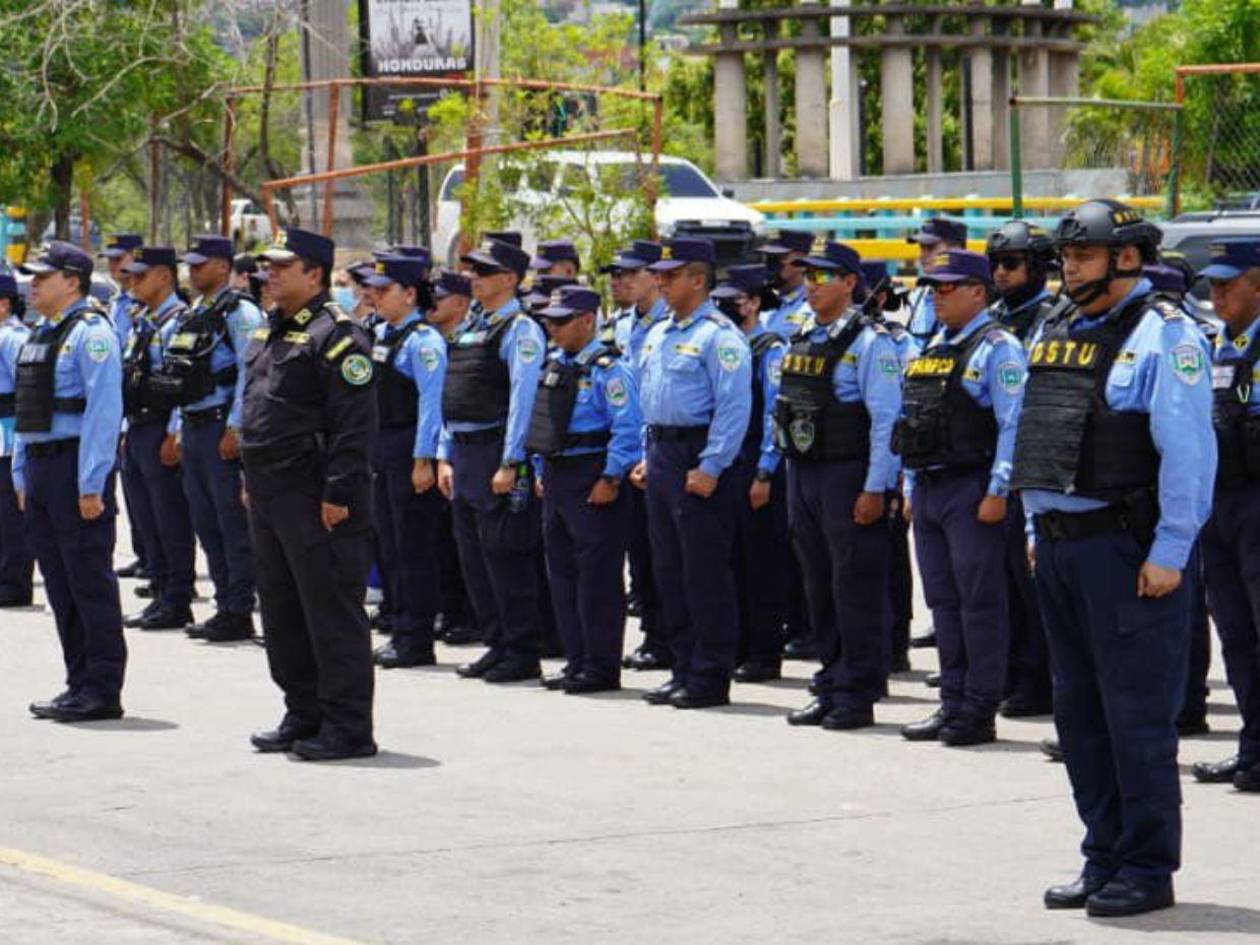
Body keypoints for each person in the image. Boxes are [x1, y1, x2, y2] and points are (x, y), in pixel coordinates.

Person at [1013, 199, 1215, 917]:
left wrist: (1171, 550)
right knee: (1080, 717)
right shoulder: (1057, 326)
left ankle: (1147, 867)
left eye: (1083, 255)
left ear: (1126, 258)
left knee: (1136, 719)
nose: (1069, 268)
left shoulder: (1165, 336)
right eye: (1065, 257)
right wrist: (1035, 525)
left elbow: (1189, 455)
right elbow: (1037, 432)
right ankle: (1102, 854)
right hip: (1061, 549)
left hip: (1127, 553)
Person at [241, 227, 379, 762]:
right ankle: (302, 711)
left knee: (329, 611)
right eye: (268, 266)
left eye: (282, 266)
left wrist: (339, 492)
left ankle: (348, 726)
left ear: (315, 274)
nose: (269, 274)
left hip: (314, 493)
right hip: (270, 491)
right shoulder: (271, 328)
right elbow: (259, 407)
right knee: (282, 610)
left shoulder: (338, 336)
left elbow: (354, 425)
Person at [894, 250, 1026, 746]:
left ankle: (978, 708)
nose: (937, 296)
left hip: (971, 487)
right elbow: (915, 417)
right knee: (943, 602)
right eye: (933, 288)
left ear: (977, 291)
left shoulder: (998, 348)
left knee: (979, 603)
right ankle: (951, 701)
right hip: (931, 486)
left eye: (947, 287)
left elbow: (1013, 424)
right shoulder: (934, 346)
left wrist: (998, 489)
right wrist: (910, 485)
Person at [776, 240, 901, 731]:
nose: (811, 285)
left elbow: (886, 420)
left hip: (847, 474)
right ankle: (830, 680)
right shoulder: (803, 335)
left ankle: (858, 691)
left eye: (822, 276)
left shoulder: (869, 342)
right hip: (804, 471)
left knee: (854, 586)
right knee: (818, 583)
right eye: (807, 276)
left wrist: (875, 488)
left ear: (849, 283)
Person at [629, 237, 751, 709]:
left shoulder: (719, 336)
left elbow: (733, 408)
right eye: (659, 274)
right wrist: (648, 453)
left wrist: (712, 465)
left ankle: (710, 673)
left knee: (704, 571)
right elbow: (652, 399)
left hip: (697, 454)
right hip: (663, 452)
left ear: (698, 280)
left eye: (671, 274)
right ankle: (682, 666)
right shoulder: (661, 332)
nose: (660, 281)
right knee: (669, 569)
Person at [15, 242, 126, 722]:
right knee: (60, 585)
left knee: (88, 582)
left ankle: (102, 688)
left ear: (72, 281)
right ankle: (77, 682)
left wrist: (91, 483)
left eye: (44, 276)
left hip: (73, 467)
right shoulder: (43, 333)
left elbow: (104, 412)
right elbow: (28, 409)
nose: (34, 284)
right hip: (42, 468)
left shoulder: (92, 334)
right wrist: (21, 471)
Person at [437, 238, 547, 683]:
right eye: (472, 271)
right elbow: (454, 393)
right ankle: (496, 642)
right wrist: (445, 454)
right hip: (464, 451)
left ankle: (521, 650)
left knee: (505, 554)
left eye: (483, 272)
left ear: (510, 279)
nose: (473, 279)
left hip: (494, 450)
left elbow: (523, 399)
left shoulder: (520, 329)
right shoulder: (472, 326)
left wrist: (511, 460)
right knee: (474, 556)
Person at [528, 285, 641, 693]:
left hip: (591, 473)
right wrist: (539, 469)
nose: (553, 328)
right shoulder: (554, 363)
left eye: (562, 322)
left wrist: (610, 477)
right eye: (550, 321)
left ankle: (601, 665)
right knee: (562, 574)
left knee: (597, 577)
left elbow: (628, 427)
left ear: (588, 321)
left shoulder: (609, 369)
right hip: (557, 474)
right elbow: (542, 421)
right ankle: (576, 659)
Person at [154, 235, 264, 643]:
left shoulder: (241, 312)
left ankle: (239, 608)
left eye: (200, 265)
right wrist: (178, 427)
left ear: (222, 266)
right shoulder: (195, 312)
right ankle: (224, 603)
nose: (192, 271)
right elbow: (181, 375)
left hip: (221, 427)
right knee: (206, 522)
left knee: (231, 523)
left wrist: (236, 427)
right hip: (195, 425)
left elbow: (251, 372)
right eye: (191, 265)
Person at [1191, 238, 1260, 792]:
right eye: (1211, 286)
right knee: (1236, 634)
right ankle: (1253, 748)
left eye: (1227, 285)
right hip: (1219, 503)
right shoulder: (1212, 344)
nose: (1216, 296)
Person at [986, 221, 1059, 718]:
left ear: (1037, 268)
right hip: (989, 462)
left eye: (1010, 263)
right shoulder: (992, 319)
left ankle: (1037, 680)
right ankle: (1008, 671)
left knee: (1030, 582)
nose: (1000, 273)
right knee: (998, 584)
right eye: (995, 264)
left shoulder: (1051, 319)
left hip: (1032, 464)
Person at [363, 254, 447, 668]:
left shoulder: (423, 341)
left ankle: (417, 637)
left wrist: (423, 458)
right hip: (382, 446)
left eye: (384, 290)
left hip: (408, 446)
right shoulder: (381, 334)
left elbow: (431, 403)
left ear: (410, 294)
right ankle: (398, 626)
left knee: (413, 548)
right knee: (388, 544)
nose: (375, 296)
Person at [711, 264, 790, 683]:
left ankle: (764, 652)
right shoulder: (724, 345)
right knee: (731, 560)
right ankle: (739, 645)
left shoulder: (769, 348)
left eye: (734, 300)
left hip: (758, 464)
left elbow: (776, 412)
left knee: (761, 564)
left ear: (755, 303)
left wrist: (765, 471)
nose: (725, 307)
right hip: (728, 463)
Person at [601, 241, 671, 672]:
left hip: (659, 450)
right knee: (639, 552)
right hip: (626, 451)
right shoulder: (619, 325)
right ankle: (652, 632)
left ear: (655, 276)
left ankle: (669, 636)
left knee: (664, 552)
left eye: (630, 273)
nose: (620, 281)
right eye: (616, 274)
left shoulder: (669, 324)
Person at [119, 247, 197, 631]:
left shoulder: (178, 321)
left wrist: (175, 432)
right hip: (138, 426)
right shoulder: (143, 319)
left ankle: (177, 598)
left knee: (170, 519)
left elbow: (182, 381)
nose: (133, 282)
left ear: (165, 276)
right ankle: (161, 590)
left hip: (160, 427)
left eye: (141, 275)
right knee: (147, 517)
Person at [861, 260, 914, 674]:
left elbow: (904, 409)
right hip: (850, 461)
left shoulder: (897, 342)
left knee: (891, 557)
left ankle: (896, 642)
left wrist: (899, 471)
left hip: (889, 461)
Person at [425, 270, 475, 645]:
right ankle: (450, 609)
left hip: (468, 448)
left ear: (460, 303)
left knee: (464, 543)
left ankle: (467, 615)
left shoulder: (469, 340)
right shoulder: (439, 339)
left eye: (439, 298)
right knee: (444, 539)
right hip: (445, 447)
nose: (432, 304)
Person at [0, 274, 34, 607]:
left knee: (11, 512)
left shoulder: (14, 338)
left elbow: (25, 389)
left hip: (9, 432)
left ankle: (14, 583)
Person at [905, 218, 968, 348]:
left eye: (930, 248)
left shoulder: (970, 296)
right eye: (922, 248)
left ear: (956, 249)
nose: (923, 255)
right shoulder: (917, 296)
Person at [759, 229, 815, 341]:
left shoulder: (813, 304)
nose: (771, 264)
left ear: (803, 262)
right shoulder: (770, 300)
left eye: (781, 257)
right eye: (768, 257)